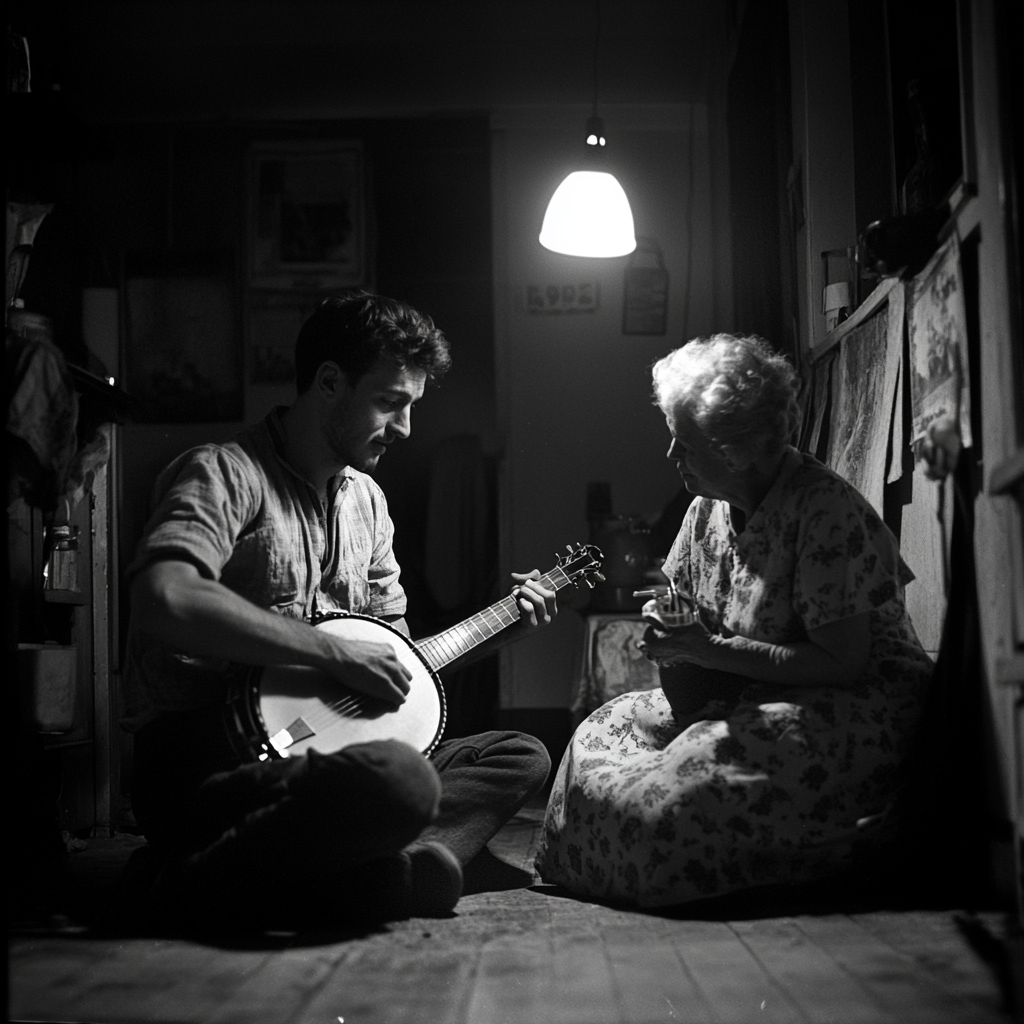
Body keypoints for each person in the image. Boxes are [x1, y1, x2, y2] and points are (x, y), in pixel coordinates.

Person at [120, 292, 555, 926]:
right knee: (400, 782)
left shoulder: (368, 502)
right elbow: (165, 597)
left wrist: (501, 629)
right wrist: (331, 652)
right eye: (391, 402)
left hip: (326, 753)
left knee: (521, 754)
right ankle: (380, 870)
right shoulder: (223, 473)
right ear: (330, 384)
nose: (406, 428)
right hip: (210, 757)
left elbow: (398, 672)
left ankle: (353, 875)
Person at [536, 334, 933, 908]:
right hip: (742, 688)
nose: (673, 458)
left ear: (735, 451)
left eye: (685, 444)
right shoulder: (707, 507)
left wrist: (705, 650)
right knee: (600, 731)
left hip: (845, 701)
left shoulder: (825, 510)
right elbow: (684, 611)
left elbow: (843, 663)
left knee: (679, 793)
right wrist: (669, 631)